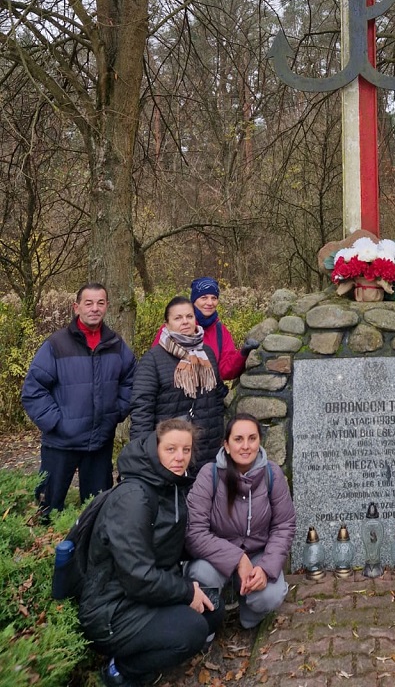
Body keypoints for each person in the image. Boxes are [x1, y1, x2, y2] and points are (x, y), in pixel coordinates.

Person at [78, 418, 222, 686]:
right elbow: (138, 576)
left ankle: (154, 646)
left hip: (143, 595)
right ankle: (120, 670)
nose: (180, 457)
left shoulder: (171, 485)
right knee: (192, 631)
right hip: (112, 609)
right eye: (171, 449)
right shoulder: (134, 498)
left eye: (186, 450)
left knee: (214, 607)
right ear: (155, 449)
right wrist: (186, 591)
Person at [22, 283, 136, 519]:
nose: (95, 308)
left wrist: (115, 413)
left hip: (99, 443)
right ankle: (45, 554)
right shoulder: (56, 344)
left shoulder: (116, 345)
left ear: (107, 306)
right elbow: (33, 390)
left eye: (100, 303)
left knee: (96, 513)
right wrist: (57, 423)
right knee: (46, 510)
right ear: (77, 307)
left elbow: (131, 381)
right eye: (89, 303)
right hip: (60, 444)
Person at [185, 413, 296, 631]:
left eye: (252, 438)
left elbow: (284, 525)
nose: (245, 446)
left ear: (259, 442)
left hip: (258, 554)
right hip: (216, 557)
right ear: (226, 445)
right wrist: (237, 559)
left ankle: (249, 614)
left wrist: (265, 568)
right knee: (200, 574)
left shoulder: (272, 474)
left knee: (271, 595)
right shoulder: (210, 475)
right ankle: (208, 622)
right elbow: (194, 532)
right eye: (238, 439)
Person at [130, 296, 227, 471]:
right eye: (178, 318)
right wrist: (145, 456)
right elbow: (142, 411)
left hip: (209, 451)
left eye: (189, 316)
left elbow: (217, 397)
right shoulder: (153, 360)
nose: (185, 322)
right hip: (173, 454)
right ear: (166, 325)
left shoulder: (207, 354)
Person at [152, 277, 245, 381]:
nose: (210, 303)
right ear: (194, 300)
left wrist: (243, 354)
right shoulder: (174, 326)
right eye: (204, 298)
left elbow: (224, 371)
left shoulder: (221, 331)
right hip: (173, 390)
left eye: (214, 298)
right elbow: (155, 364)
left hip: (207, 393)